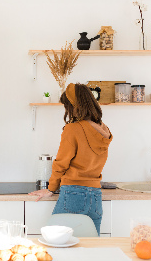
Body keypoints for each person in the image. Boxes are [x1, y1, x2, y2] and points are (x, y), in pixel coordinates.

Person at [29, 83, 113, 235]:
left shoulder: (73, 129)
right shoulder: (103, 130)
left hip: (73, 194)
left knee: (55, 241)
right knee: (90, 248)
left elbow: (61, 164)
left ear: (74, 106)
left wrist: (51, 189)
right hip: (95, 196)